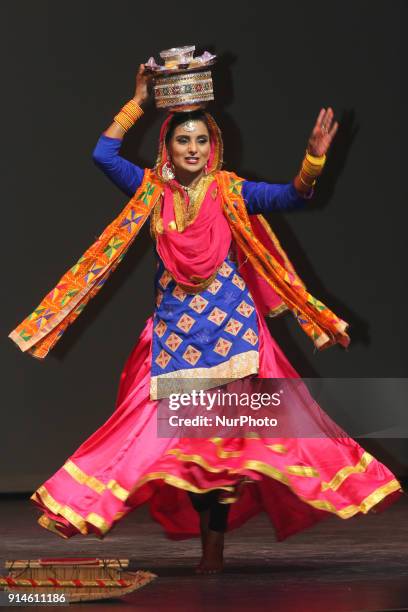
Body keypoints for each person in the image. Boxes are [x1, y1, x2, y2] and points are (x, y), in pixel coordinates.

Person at [26, 65, 402, 575]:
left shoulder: (229, 191)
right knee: (152, 438)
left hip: (234, 340)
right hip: (174, 339)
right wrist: (137, 101)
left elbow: (291, 195)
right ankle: (96, 503)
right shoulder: (150, 193)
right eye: (183, 139)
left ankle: (213, 555)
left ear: (214, 144)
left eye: (202, 139)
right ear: (169, 146)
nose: (194, 149)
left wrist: (313, 160)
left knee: (227, 454)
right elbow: (102, 154)